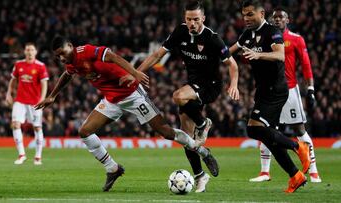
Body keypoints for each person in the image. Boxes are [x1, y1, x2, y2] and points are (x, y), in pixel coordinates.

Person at [35, 36, 219, 192]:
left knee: (165, 132)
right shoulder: (71, 62)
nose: (60, 58)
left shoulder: (86, 51)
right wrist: (52, 96)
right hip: (111, 100)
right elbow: (67, 75)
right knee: (84, 131)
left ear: (70, 47)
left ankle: (202, 151)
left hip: (132, 94)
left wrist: (135, 73)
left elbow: (113, 57)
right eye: (57, 56)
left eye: (62, 53)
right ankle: (112, 168)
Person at [137, 0, 239, 193]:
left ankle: (203, 123)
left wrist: (234, 85)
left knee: (177, 96)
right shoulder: (180, 32)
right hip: (192, 86)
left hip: (210, 86)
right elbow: (157, 55)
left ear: (203, 19)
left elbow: (232, 65)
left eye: (196, 19)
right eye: (188, 19)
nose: (192, 23)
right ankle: (201, 175)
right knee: (185, 136)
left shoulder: (212, 38)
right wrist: (136, 72)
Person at [229, 0, 311, 193]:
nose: (246, 18)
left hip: (276, 89)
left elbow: (280, 55)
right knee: (269, 138)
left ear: (262, 14)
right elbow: (229, 51)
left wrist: (259, 55)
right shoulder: (247, 34)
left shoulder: (272, 31)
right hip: (263, 90)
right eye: (244, 15)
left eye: (250, 14)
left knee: (253, 129)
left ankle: (298, 146)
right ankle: (296, 176)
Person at [249, 7, 321, 183]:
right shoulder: (268, 38)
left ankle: (313, 171)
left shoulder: (296, 39)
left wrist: (310, 90)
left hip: (289, 90)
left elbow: (306, 65)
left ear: (288, 20)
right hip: (269, 91)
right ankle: (265, 172)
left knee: (299, 129)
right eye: (275, 18)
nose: (278, 20)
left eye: (281, 18)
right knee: (265, 130)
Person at [6, 42, 49, 165]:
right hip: (20, 101)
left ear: (36, 52)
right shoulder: (18, 64)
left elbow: (44, 83)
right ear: (24, 52)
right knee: (15, 124)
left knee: (37, 127)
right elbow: (13, 80)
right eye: (27, 50)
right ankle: (21, 155)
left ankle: (38, 157)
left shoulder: (41, 66)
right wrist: (9, 93)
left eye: (32, 50)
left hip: (35, 102)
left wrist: (42, 98)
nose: (29, 52)